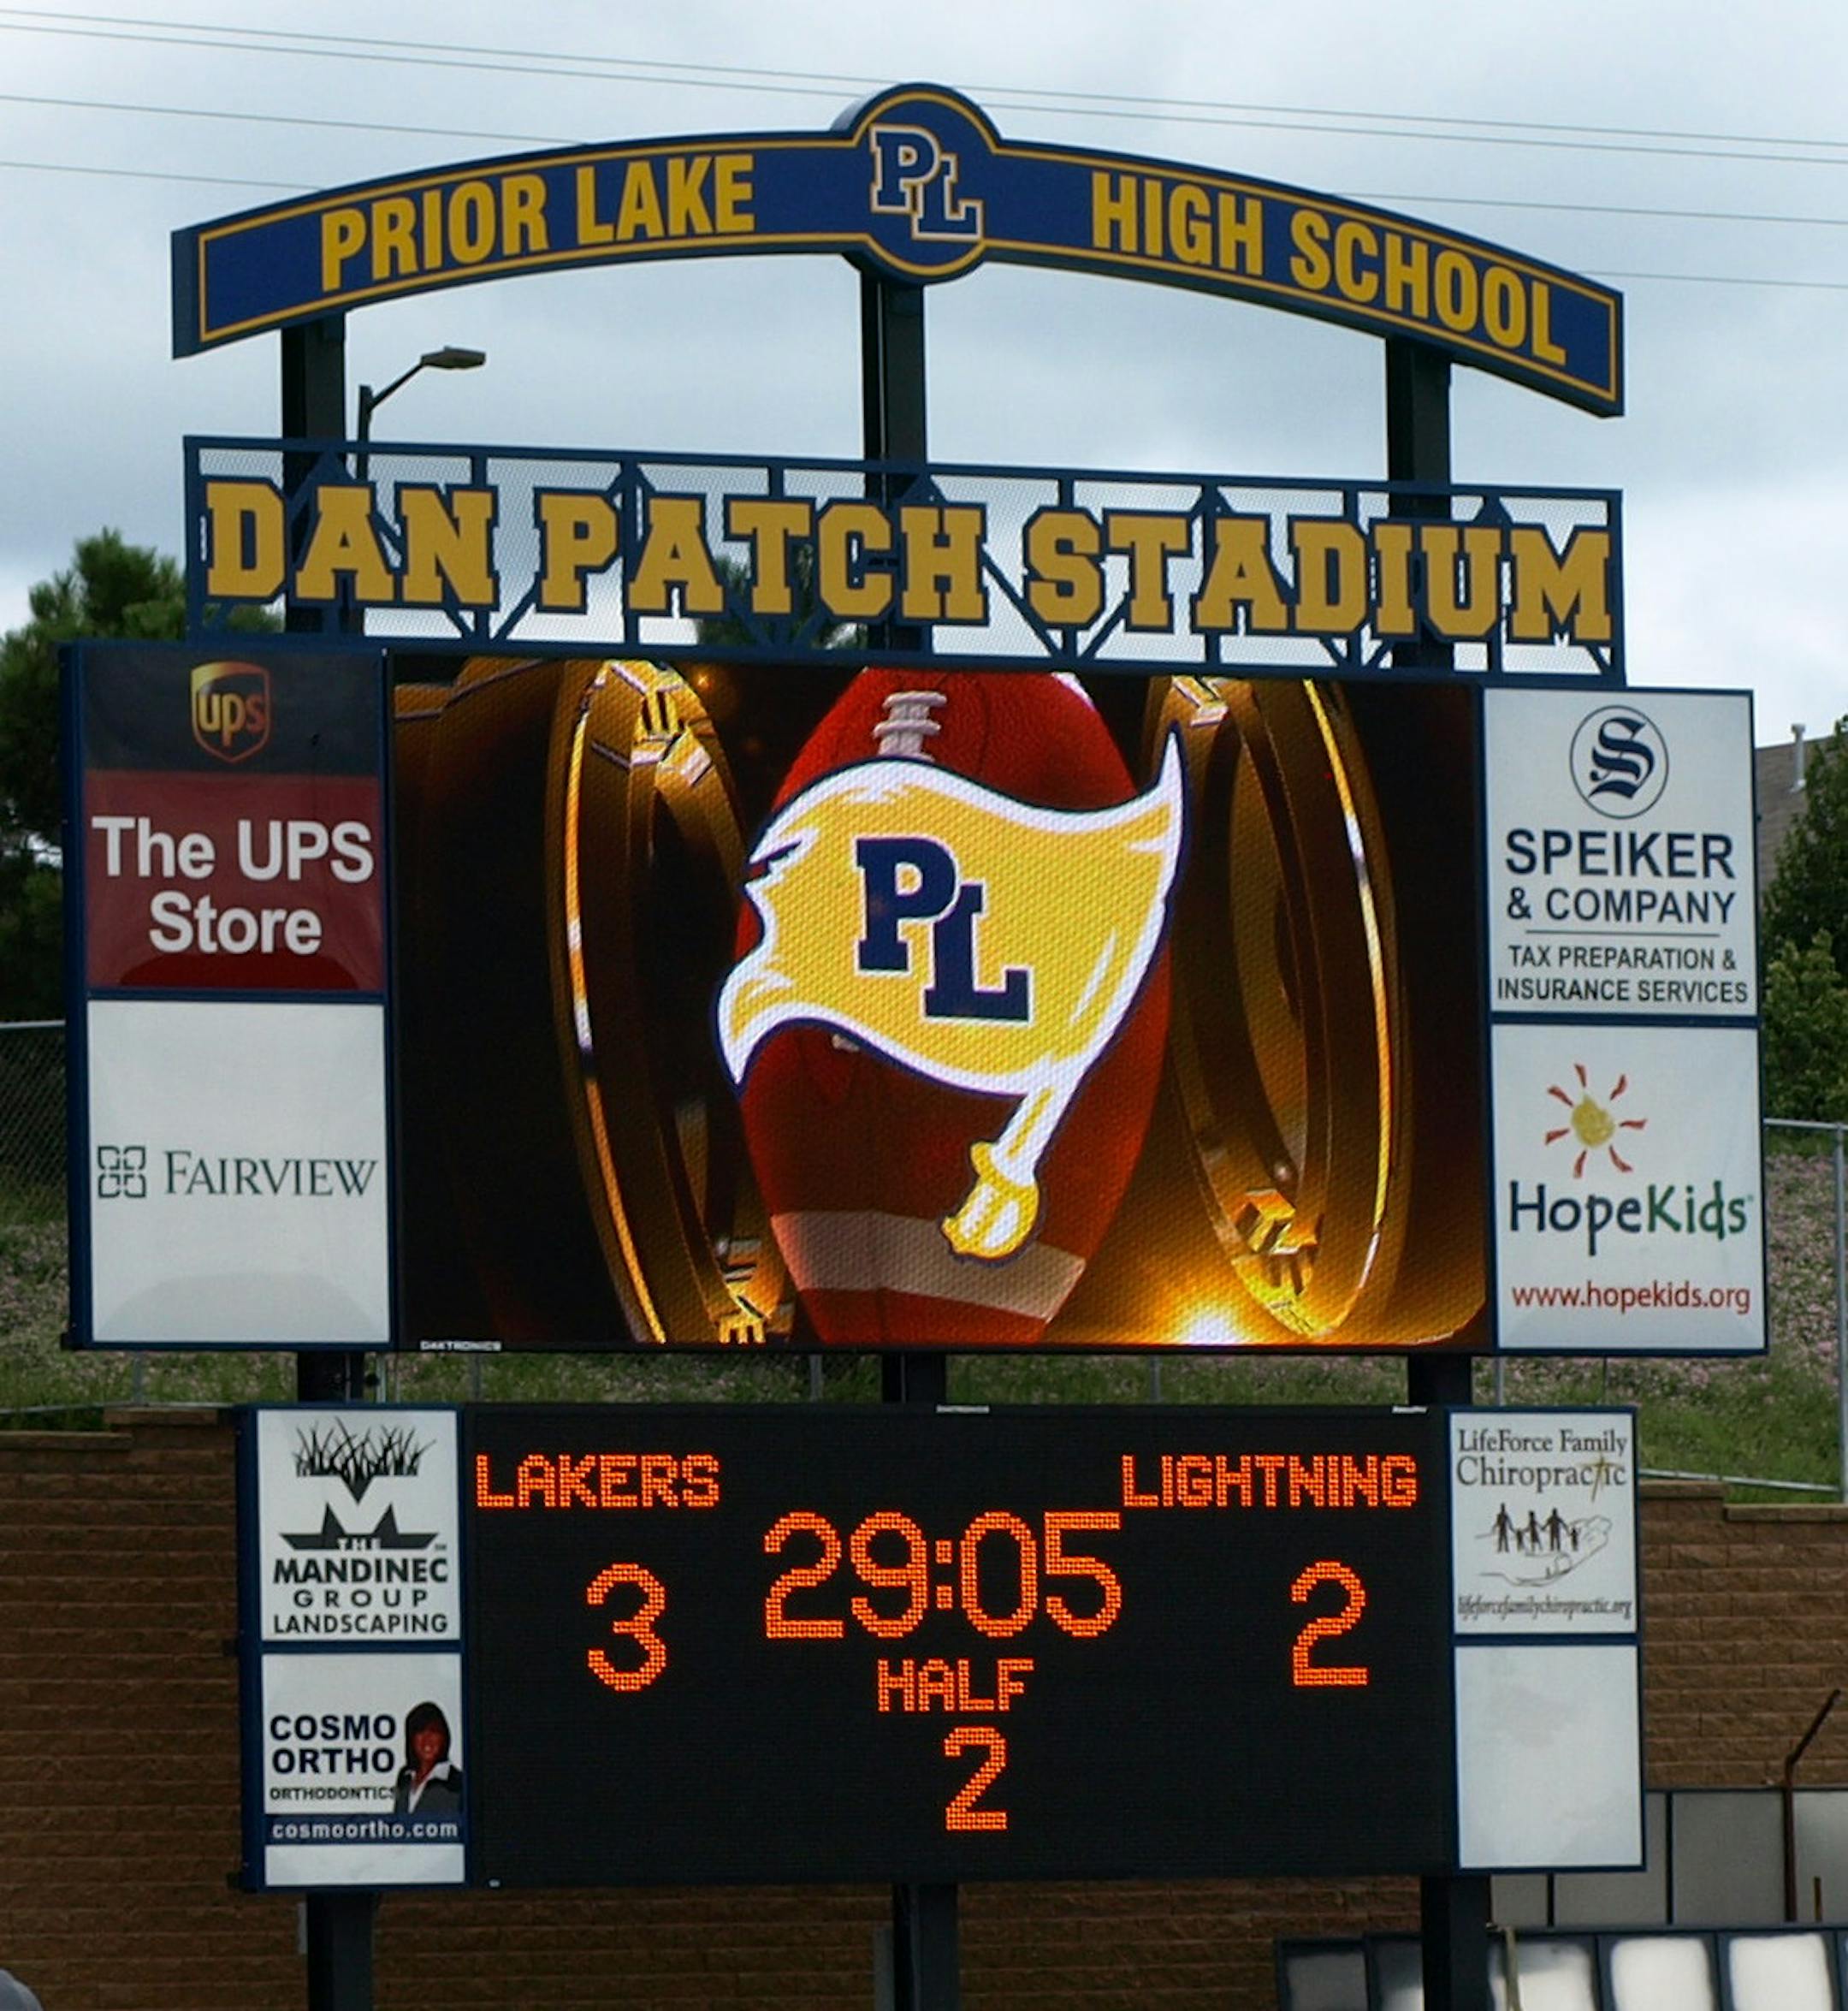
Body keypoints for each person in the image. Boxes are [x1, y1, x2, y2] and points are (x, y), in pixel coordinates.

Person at [392, 1700, 463, 1820]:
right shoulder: (405, 1777)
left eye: (434, 1731)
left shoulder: (458, 1783)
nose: (427, 1740)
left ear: (444, 1737)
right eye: (420, 1732)